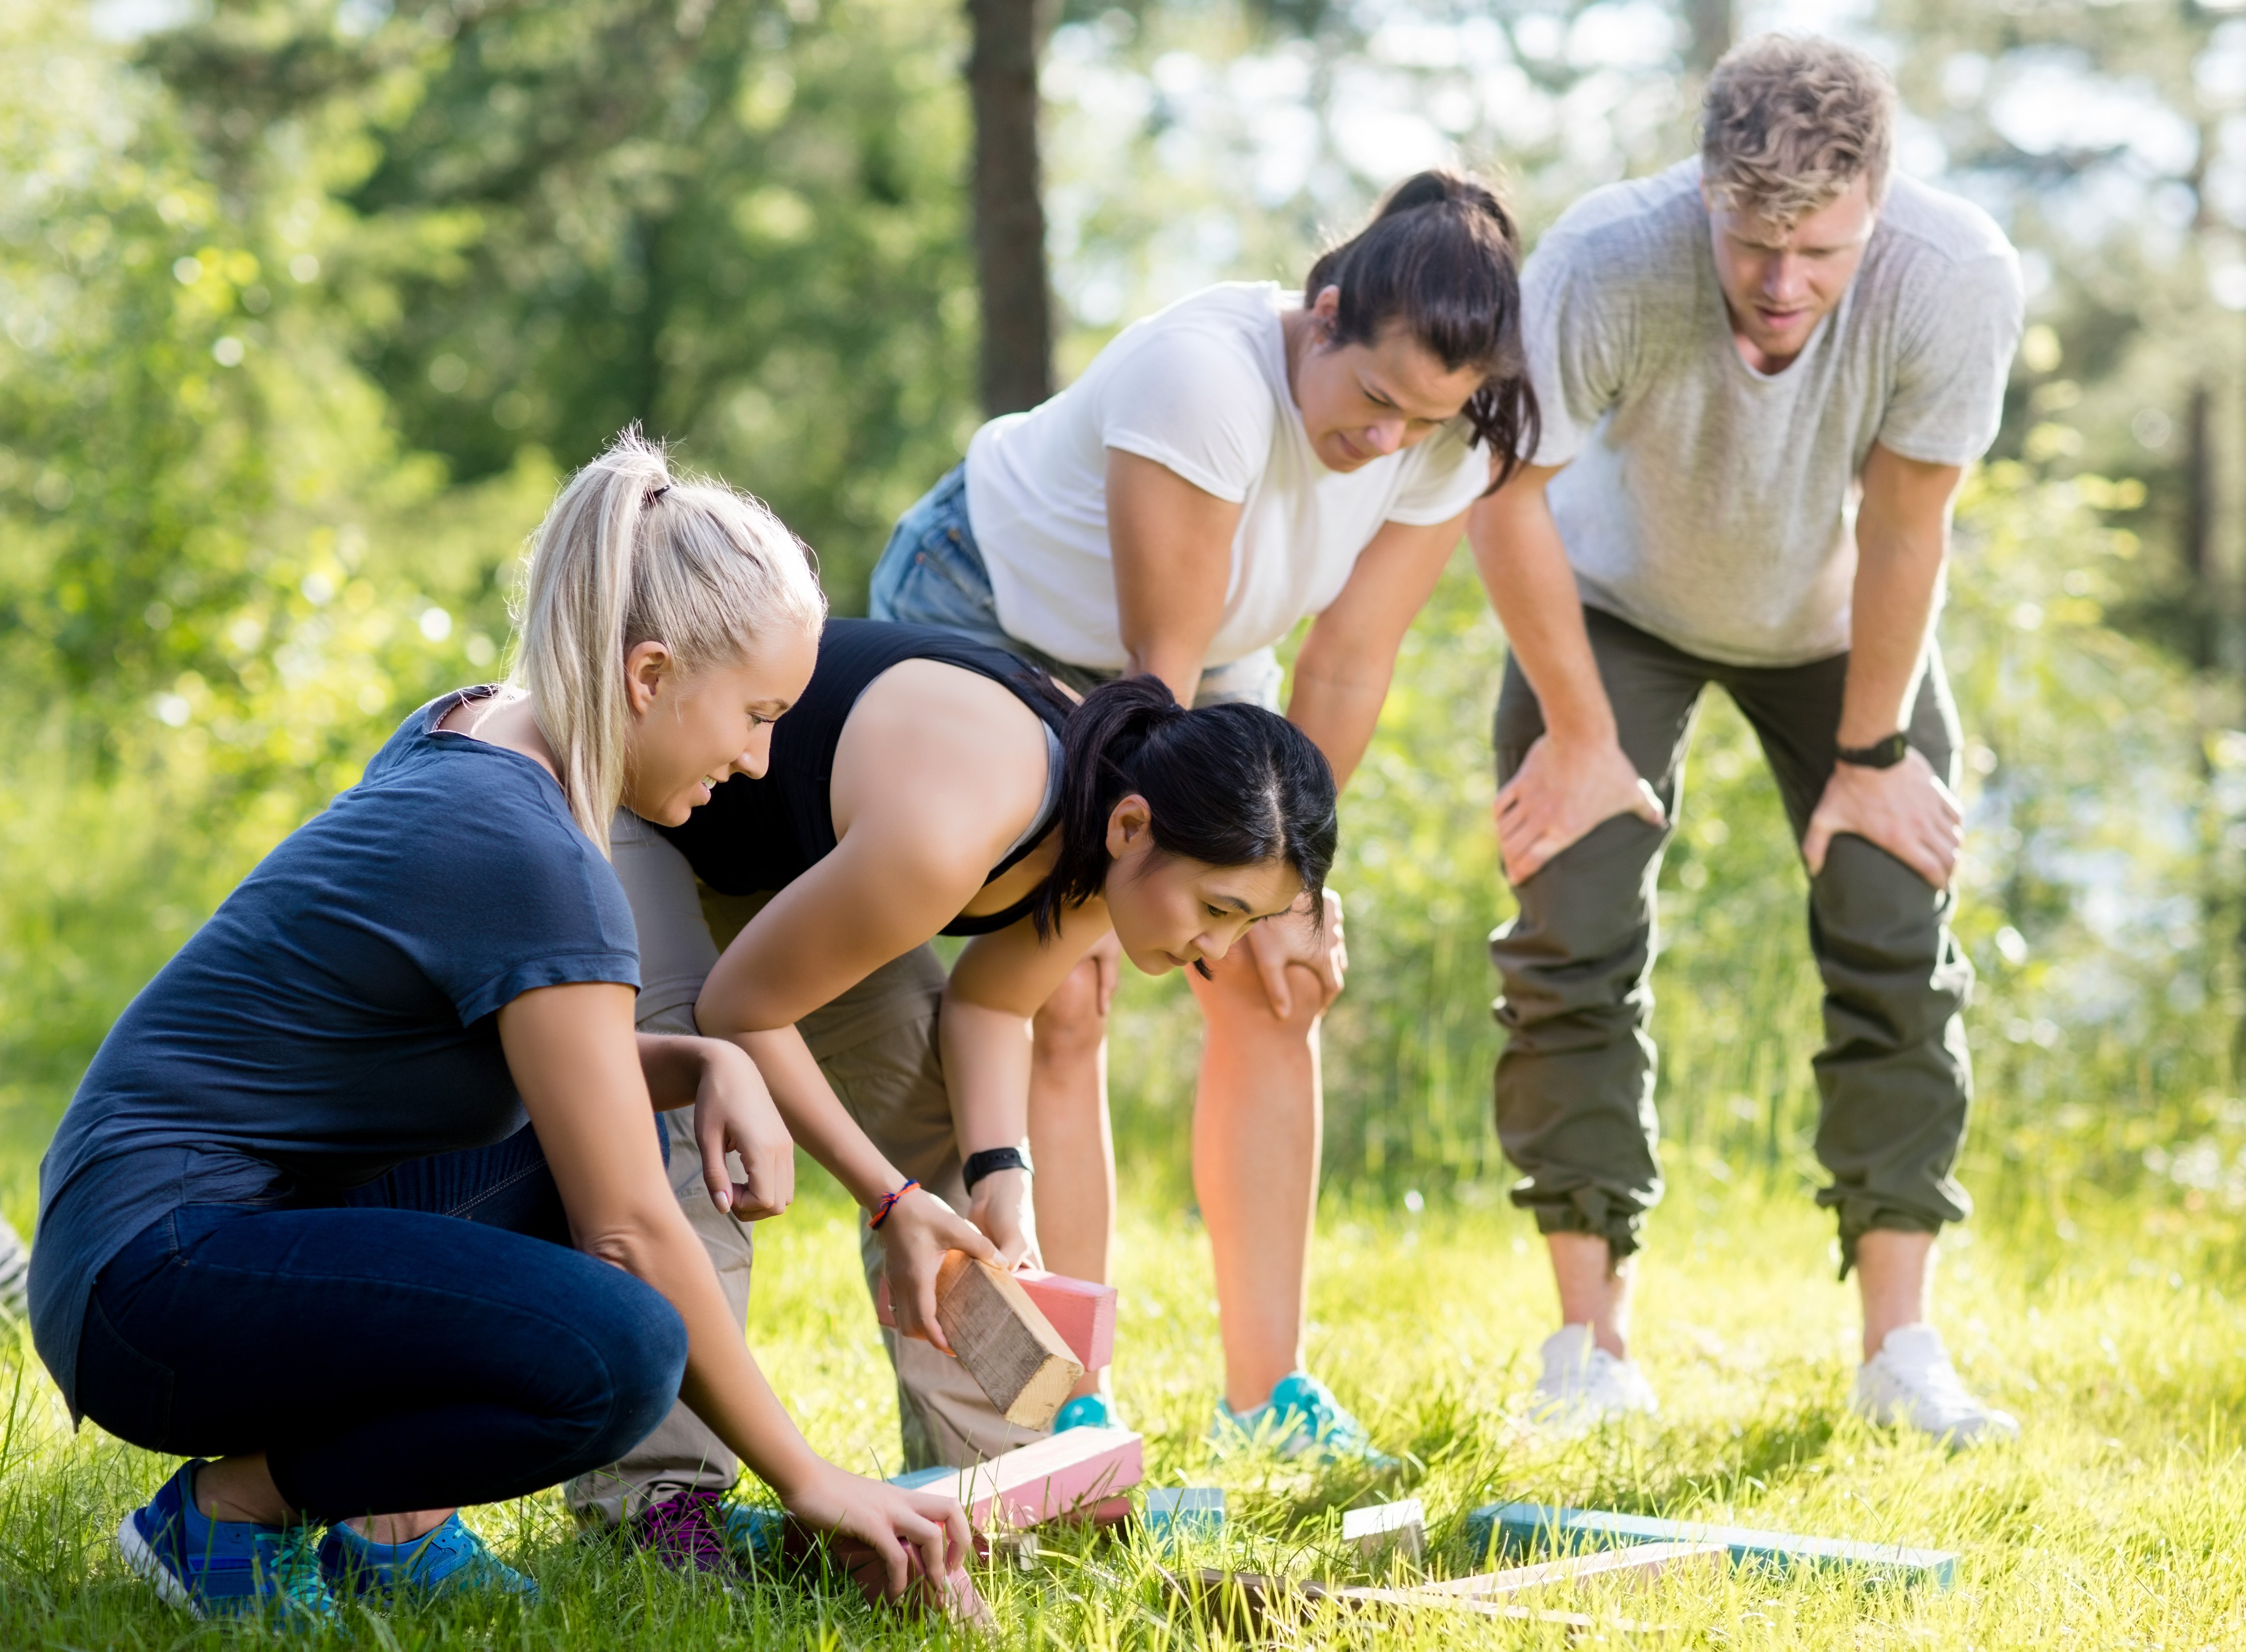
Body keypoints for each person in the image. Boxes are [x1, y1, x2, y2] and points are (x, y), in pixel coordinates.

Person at [25, 434, 980, 1622]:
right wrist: (813, 1478)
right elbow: (631, 1228)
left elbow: (539, 1066)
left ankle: (391, 1516)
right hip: (152, 1279)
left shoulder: (481, 732)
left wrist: (705, 1056)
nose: (760, 757)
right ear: (647, 674)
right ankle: (228, 1512)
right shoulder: (526, 846)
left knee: (605, 1129)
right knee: (620, 1350)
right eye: (755, 713)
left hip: (155, 1235)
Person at [867, 168, 1536, 1461]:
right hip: (992, 612)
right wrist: (1117, 900)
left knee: (1277, 977)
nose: (1387, 442)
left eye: (1426, 419)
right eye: (1374, 400)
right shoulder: (1207, 382)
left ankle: (1266, 1396)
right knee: (1063, 983)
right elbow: (1151, 689)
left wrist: (1294, 892)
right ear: (1323, 311)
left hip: (1208, 656)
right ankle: (1064, 1392)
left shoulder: (1447, 433)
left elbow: (1343, 665)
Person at [1468, 35, 2024, 1443]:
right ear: (1705, 191)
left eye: (1823, 250)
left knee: (1897, 922)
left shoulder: (1952, 280)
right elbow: (1507, 501)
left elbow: (1909, 524)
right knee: (1570, 936)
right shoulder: (1608, 257)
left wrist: (1875, 754)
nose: (1785, 285)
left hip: (1841, 627)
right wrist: (1584, 733)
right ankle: (1588, 1348)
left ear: (1878, 208)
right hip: (1613, 611)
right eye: (1755, 238)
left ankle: (1901, 1348)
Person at [563, 627, 1340, 1562]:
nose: (1218, 955)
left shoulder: (1111, 827)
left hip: (786, 867)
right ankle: (660, 1506)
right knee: (702, 1117)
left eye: (1246, 923)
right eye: (1218, 910)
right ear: (1134, 827)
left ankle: (992, 1480)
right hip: (643, 802)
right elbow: (740, 1011)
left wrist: (999, 1167)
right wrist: (887, 1200)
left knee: (939, 1144)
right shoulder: (962, 826)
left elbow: (989, 1002)